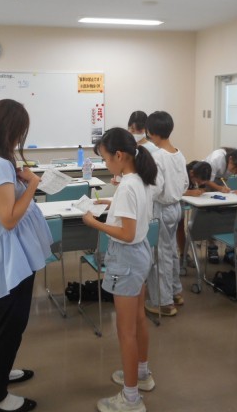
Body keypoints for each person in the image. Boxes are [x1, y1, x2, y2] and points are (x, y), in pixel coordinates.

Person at [0, 99, 52, 412]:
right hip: (8, 256)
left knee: (1, 320)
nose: (20, 138)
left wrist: (18, 179)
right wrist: (33, 184)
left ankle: (1, 373)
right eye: (19, 131)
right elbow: (9, 218)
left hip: (2, 252)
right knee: (9, 324)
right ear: (10, 129)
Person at [82, 127, 157, 412]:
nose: (105, 164)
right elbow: (133, 209)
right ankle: (142, 374)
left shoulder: (126, 186)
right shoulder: (140, 178)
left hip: (126, 258)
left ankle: (131, 398)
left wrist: (95, 223)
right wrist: (109, 202)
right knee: (138, 320)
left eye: (105, 158)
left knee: (125, 332)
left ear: (119, 155)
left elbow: (126, 233)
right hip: (140, 255)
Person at [144, 111, 188, 317]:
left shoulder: (157, 157)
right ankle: (175, 291)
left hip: (161, 209)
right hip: (176, 207)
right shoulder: (178, 153)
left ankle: (163, 302)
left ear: (152, 133)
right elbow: (185, 183)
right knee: (171, 251)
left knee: (159, 255)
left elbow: (155, 188)